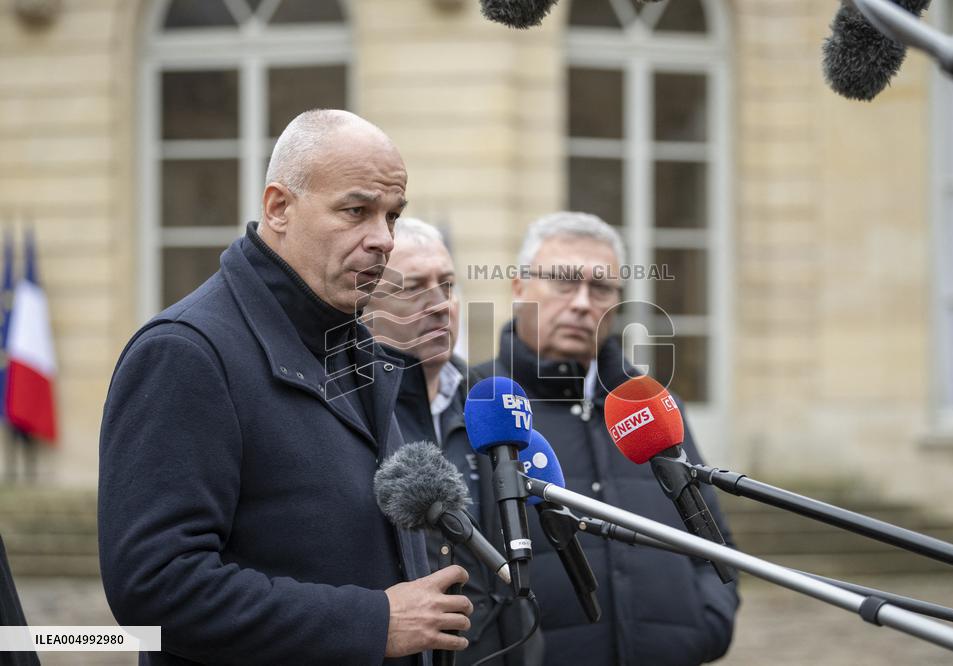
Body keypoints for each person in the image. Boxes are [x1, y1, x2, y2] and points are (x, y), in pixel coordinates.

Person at [98, 110, 473, 666]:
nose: (383, 240)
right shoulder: (184, 352)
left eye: (392, 216)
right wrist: (372, 623)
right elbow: (155, 588)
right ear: (278, 207)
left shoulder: (357, 343)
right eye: (356, 210)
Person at [472, 212, 740, 665]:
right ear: (519, 289)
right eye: (562, 281)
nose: (582, 303)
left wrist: (709, 622)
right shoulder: (480, 404)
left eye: (600, 288)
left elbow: (712, 538)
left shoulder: (653, 404)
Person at [365, 218, 543, 665]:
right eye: (413, 288)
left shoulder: (489, 400)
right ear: (365, 309)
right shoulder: (348, 409)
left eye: (447, 285)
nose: (440, 304)